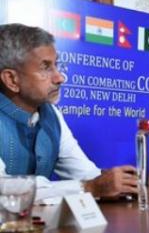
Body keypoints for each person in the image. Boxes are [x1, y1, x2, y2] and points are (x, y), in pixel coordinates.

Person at [0, 24, 138, 199]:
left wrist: (129, 184)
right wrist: (89, 188)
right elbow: (3, 186)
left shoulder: (51, 114)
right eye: (45, 68)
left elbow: (85, 174)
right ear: (11, 79)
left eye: (56, 65)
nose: (60, 78)